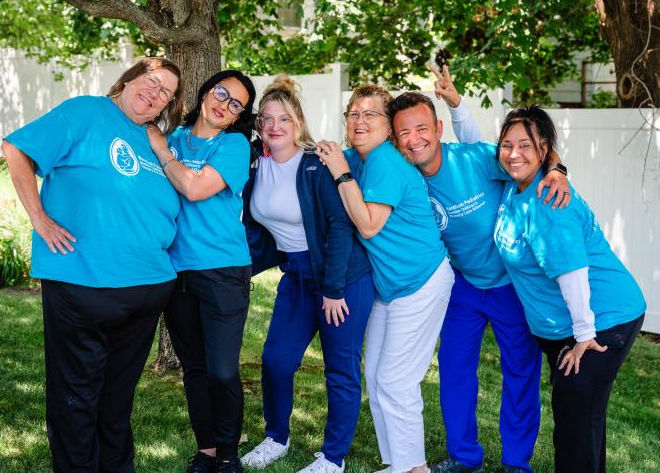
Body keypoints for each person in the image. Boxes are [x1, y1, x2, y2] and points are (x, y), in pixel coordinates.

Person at [2, 57, 183, 472]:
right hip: (83, 283)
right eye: (152, 82)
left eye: (166, 94)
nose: (156, 95)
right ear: (130, 78)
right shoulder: (86, 111)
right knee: (76, 397)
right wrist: (40, 220)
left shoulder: (153, 142)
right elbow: (16, 149)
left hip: (147, 289)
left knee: (117, 400)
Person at [390, 65, 571, 473]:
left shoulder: (472, 159)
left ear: (437, 128)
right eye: (403, 133)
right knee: (454, 371)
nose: (414, 139)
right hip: (464, 286)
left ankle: (516, 463)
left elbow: (528, 151)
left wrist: (557, 169)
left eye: (421, 128)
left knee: (520, 376)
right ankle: (464, 456)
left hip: (511, 286)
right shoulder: (405, 179)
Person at [493, 106, 647, 473]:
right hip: (567, 325)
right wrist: (556, 165)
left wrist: (583, 336)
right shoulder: (518, 184)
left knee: (577, 423)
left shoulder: (547, 203)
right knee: (582, 418)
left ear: (543, 150)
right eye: (507, 144)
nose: (514, 153)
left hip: (601, 320)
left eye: (525, 145)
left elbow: (573, 274)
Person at [239, 75, 375, 473]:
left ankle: (333, 458)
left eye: (284, 118)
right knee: (277, 360)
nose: (275, 127)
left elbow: (340, 226)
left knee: (340, 368)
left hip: (343, 278)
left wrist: (333, 289)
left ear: (297, 121)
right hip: (296, 277)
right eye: (267, 119)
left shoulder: (315, 163)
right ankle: (275, 439)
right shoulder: (254, 162)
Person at [316, 86, 454, 473]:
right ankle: (397, 462)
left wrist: (340, 173)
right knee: (375, 377)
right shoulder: (362, 160)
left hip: (421, 282)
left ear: (388, 127)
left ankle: (415, 468)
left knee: (395, 380)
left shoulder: (384, 162)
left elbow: (369, 224)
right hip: (389, 288)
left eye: (371, 114)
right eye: (354, 113)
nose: (360, 121)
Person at [146, 70, 257, 473]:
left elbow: (194, 188)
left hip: (223, 270)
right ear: (207, 90)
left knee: (223, 370)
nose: (223, 104)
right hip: (176, 272)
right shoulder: (173, 137)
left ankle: (229, 453)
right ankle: (206, 449)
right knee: (193, 368)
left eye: (235, 105)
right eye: (221, 93)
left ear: (237, 117)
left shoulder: (233, 145)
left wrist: (162, 152)